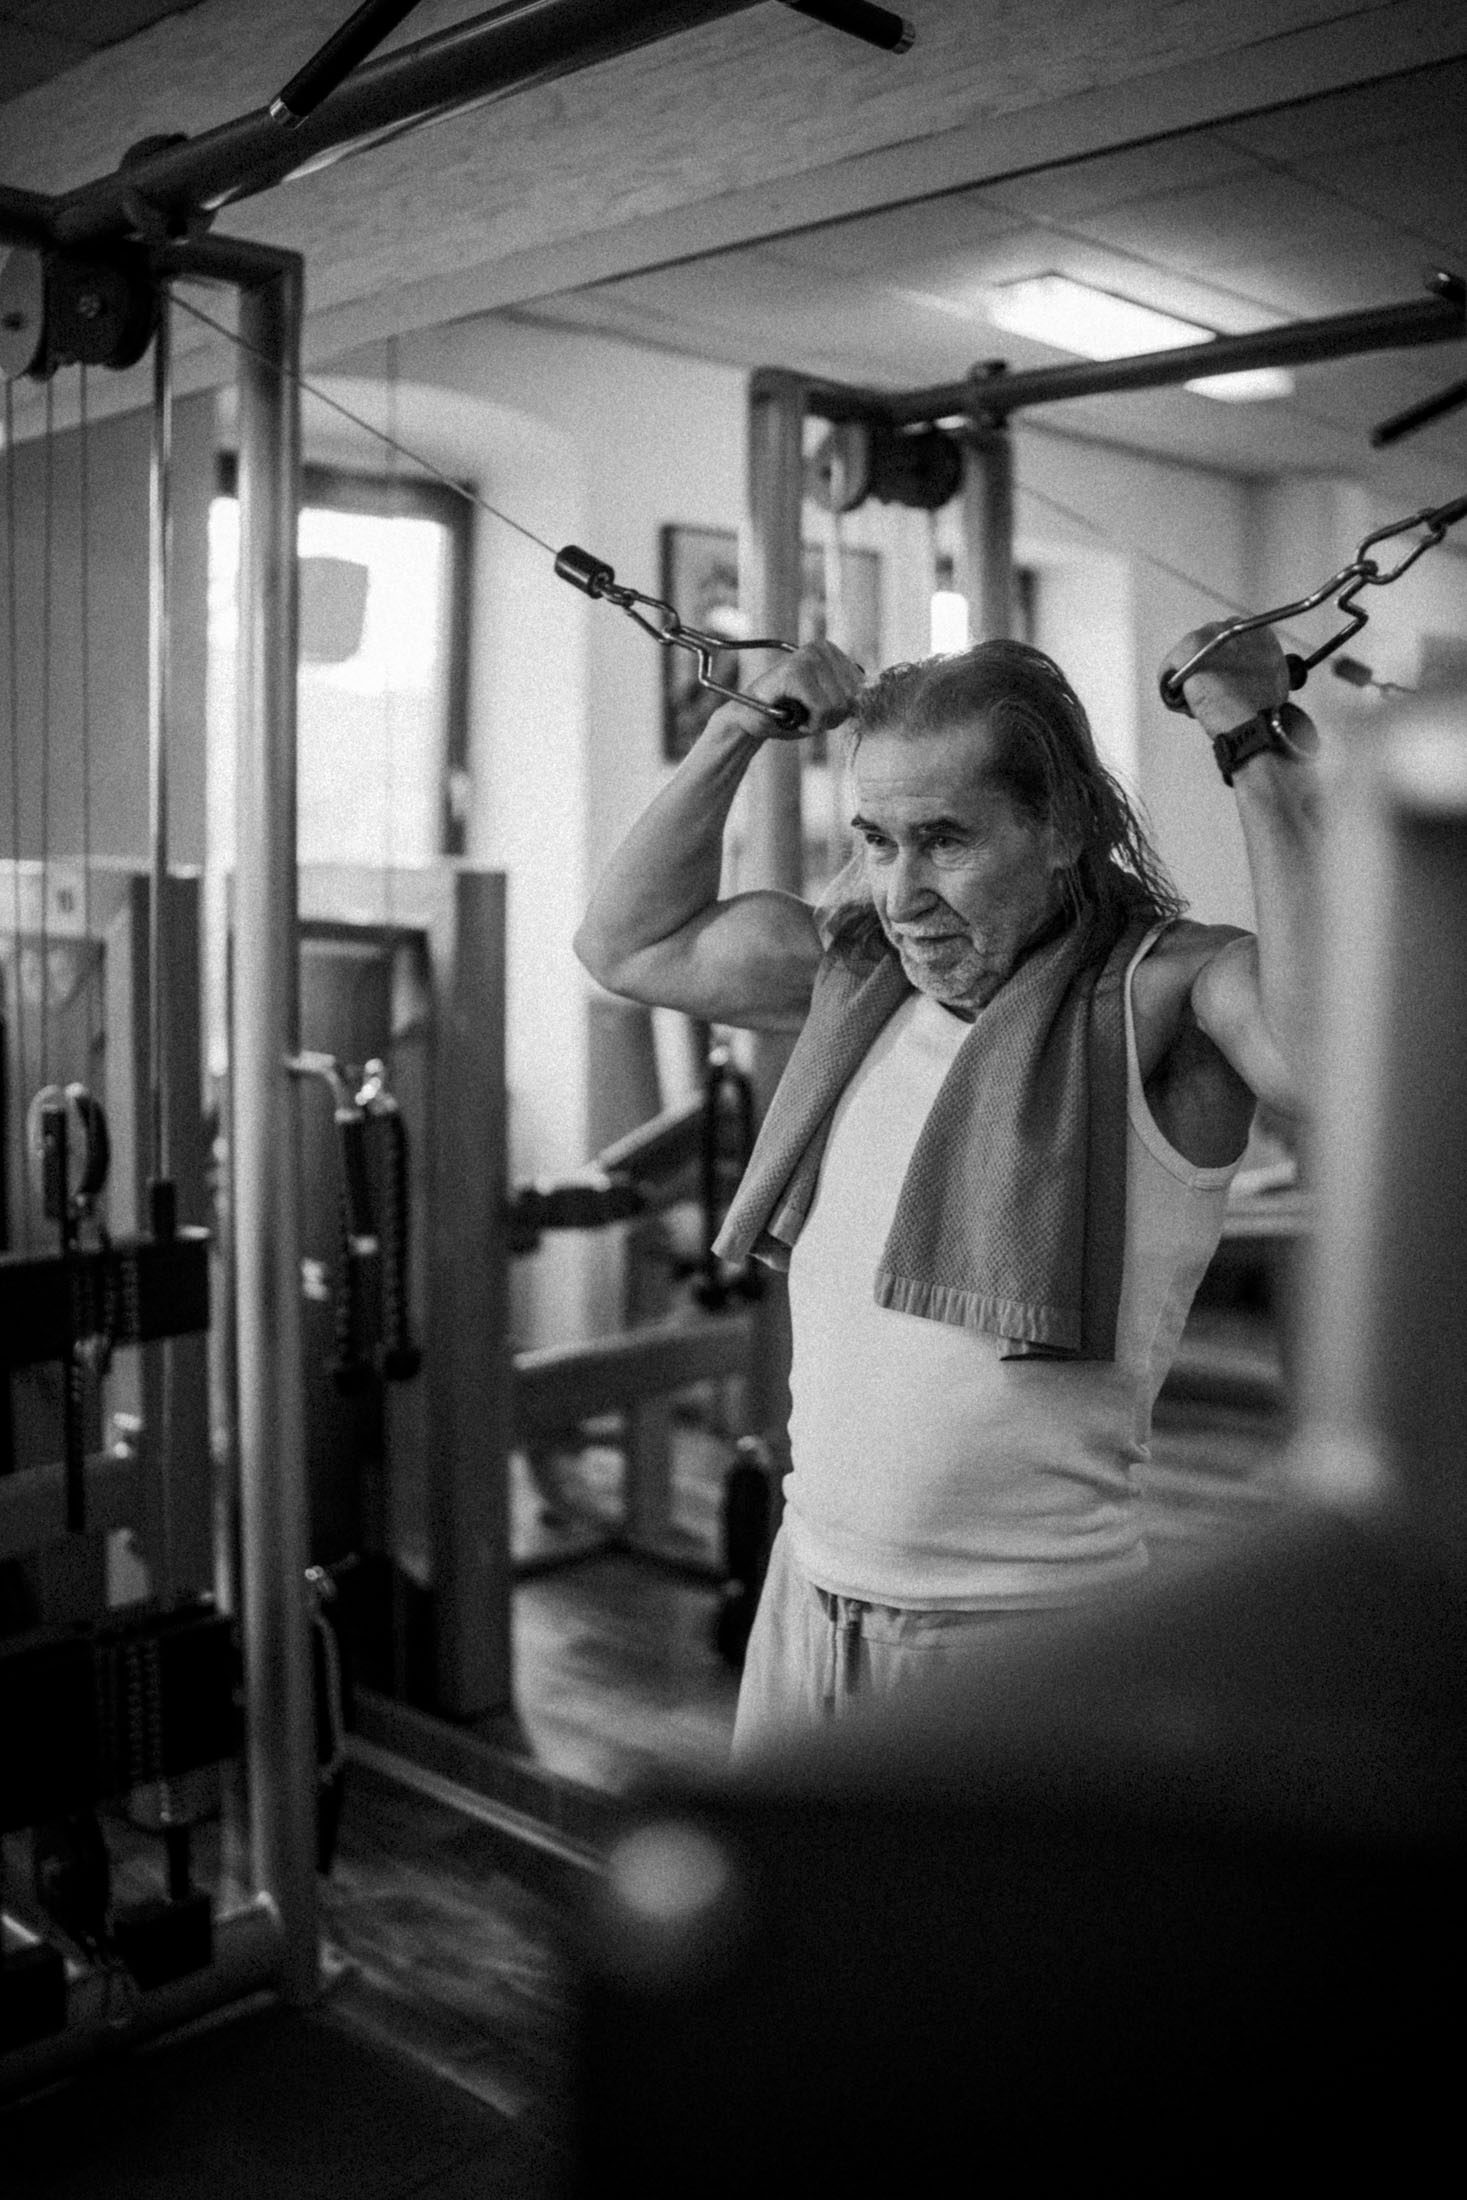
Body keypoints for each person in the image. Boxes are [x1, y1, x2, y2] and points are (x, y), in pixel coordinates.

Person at [574, 621, 1318, 1755]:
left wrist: (1251, 736)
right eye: (877, 840)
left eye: (945, 841)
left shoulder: (1167, 993)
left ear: (1062, 827)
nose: (902, 891)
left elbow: (1330, 1061)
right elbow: (626, 944)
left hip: (1021, 1636)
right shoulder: (850, 975)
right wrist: (739, 725)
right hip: (806, 1598)